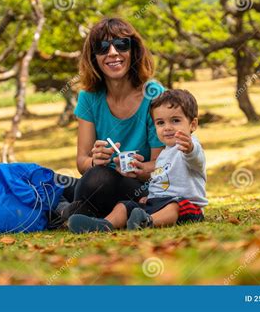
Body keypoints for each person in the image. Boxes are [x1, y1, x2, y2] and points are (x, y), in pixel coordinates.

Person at [50, 17, 167, 227]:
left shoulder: (153, 94)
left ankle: (70, 212)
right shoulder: (89, 97)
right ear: (94, 57)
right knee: (56, 180)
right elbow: (82, 162)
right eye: (102, 47)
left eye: (121, 44)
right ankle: (76, 212)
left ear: (134, 51)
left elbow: (162, 166)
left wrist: (139, 169)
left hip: (143, 187)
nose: (112, 53)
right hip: (97, 182)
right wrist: (95, 160)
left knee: (97, 180)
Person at [67, 89, 207, 233]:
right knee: (125, 205)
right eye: (160, 123)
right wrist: (150, 197)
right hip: (158, 202)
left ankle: (148, 222)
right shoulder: (165, 153)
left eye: (175, 120)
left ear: (193, 125)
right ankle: (104, 224)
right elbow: (159, 180)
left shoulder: (189, 147)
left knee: (174, 205)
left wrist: (190, 148)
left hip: (188, 206)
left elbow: (196, 159)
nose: (167, 128)